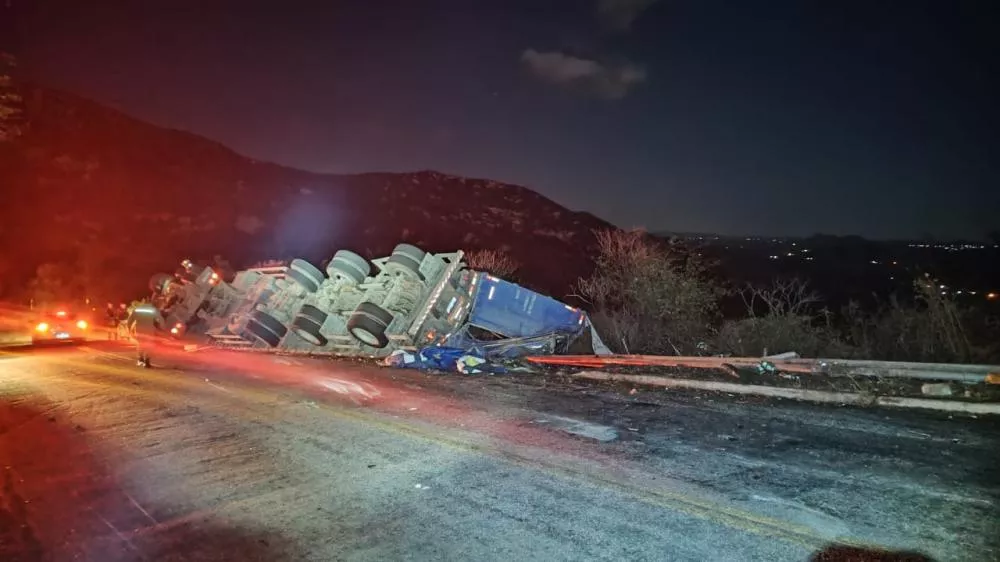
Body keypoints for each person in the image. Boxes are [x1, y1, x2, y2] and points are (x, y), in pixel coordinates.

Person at [127, 302, 165, 368]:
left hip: (139, 330)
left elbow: (130, 320)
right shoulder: (153, 310)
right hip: (149, 331)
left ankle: (140, 359)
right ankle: (147, 362)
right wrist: (163, 328)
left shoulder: (137, 309)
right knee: (149, 346)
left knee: (140, 344)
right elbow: (160, 319)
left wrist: (129, 328)